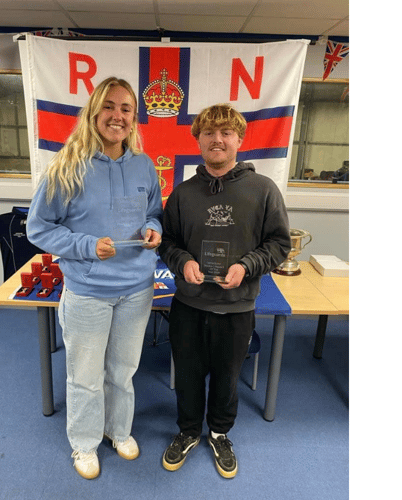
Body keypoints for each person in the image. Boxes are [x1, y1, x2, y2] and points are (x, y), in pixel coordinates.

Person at [26, 77, 163, 480]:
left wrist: (154, 227)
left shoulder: (143, 164)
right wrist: (86, 245)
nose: (117, 116)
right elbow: (39, 228)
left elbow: (154, 211)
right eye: (110, 106)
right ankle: (84, 444)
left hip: (136, 290)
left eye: (126, 109)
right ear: (93, 112)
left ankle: (118, 430)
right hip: (88, 292)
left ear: (134, 119)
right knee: (85, 375)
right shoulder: (66, 165)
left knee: (122, 370)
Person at [158, 103, 291, 479]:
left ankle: (219, 433)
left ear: (239, 139)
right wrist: (182, 261)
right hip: (188, 305)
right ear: (198, 139)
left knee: (227, 377)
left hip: (236, 308)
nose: (217, 139)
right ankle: (187, 431)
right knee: (186, 375)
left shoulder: (264, 191)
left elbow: (279, 245)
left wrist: (246, 266)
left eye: (226, 133)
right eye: (209, 133)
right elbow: (167, 242)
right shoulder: (183, 193)